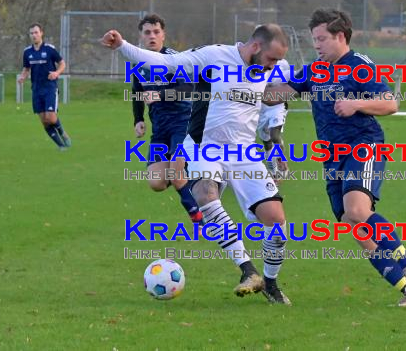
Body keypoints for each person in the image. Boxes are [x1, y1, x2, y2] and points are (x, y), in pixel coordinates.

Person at [102, 24, 292, 305]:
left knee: (276, 222)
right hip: (206, 145)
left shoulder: (273, 70)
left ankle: (271, 284)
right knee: (204, 193)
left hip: (243, 152)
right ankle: (247, 270)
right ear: (255, 47)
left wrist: (276, 151)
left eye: (277, 61)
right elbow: (166, 62)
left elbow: (273, 115)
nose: (272, 65)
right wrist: (122, 46)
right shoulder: (216, 56)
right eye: (271, 59)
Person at [267, 8, 406, 307]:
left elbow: (390, 103)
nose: (316, 45)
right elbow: (280, 93)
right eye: (314, 39)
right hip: (332, 157)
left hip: (363, 145)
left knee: (355, 210)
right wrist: (243, 86)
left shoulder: (359, 65)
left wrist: (356, 103)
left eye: (321, 39)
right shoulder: (316, 68)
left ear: (340, 36)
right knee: (354, 223)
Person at [130, 14, 205, 232]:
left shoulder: (174, 58)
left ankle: (201, 219)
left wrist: (161, 96)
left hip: (182, 122)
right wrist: (138, 120)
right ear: (141, 36)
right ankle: (194, 178)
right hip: (159, 129)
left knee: (175, 172)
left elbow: (187, 88)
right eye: (147, 32)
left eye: (156, 32)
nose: (152, 36)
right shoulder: (139, 63)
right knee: (156, 183)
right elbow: (137, 93)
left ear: (163, 35)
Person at [18, 23, 71, 150]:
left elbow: (62, 63)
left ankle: (62, 132)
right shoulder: (27, 52)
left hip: (49, 88)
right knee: (44, 121)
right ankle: (61, 146)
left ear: (41, 33)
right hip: (36, 89)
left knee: (51, 118)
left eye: (36, 32)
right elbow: (26, 68)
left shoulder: (49, 49)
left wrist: (57, 73)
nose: (34, 35)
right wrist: (22, 77)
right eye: (31, 33)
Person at [256, 101, 289, 184]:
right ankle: (273, 171)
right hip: (261, 108)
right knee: (267, 142)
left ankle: (281, 158)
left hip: (277, 106)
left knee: (274, 136)